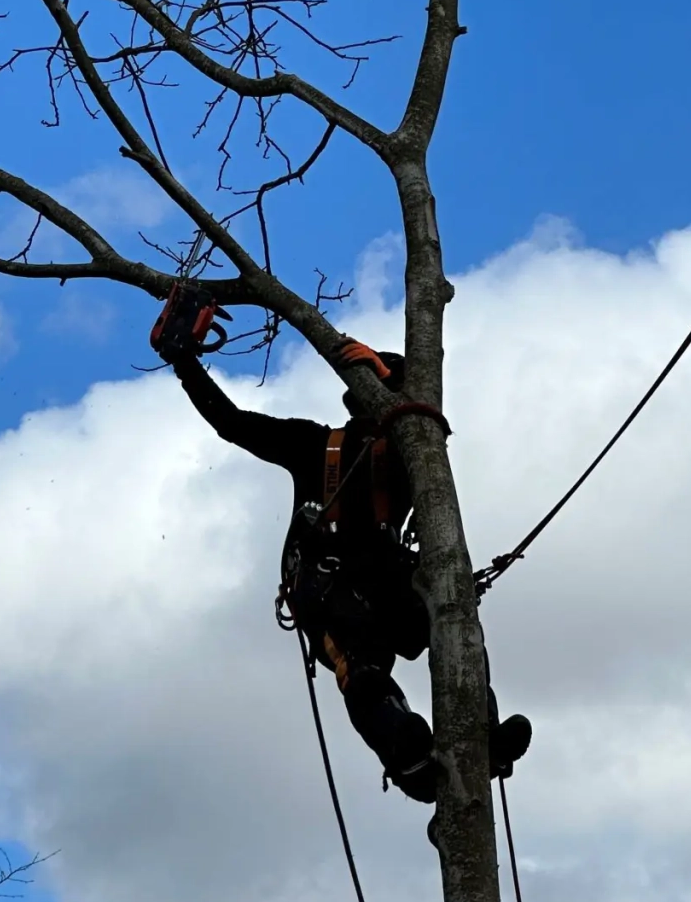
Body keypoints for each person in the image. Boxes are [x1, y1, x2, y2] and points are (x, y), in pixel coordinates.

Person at [156, 322, 531, 804]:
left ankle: (482, 734)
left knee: (457, 629)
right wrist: (184, 362)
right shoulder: (314, 443)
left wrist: (390, 381)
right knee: (363, 670)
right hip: (329, 584)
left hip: (388, 579)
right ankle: (407, 753)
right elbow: (233, 423)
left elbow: (421, 424)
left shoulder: (414, 451)